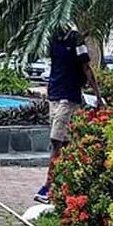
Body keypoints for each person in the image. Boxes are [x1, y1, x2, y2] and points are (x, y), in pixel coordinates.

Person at [34, 25, 101, 204]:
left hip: (68, 97)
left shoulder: (76, 39)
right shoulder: (53, 38)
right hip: (54, 94)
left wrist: (97, 94)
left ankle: (49, 186)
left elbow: (86, 68)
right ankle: (65, 183)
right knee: (64, 142)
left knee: (56, 141)